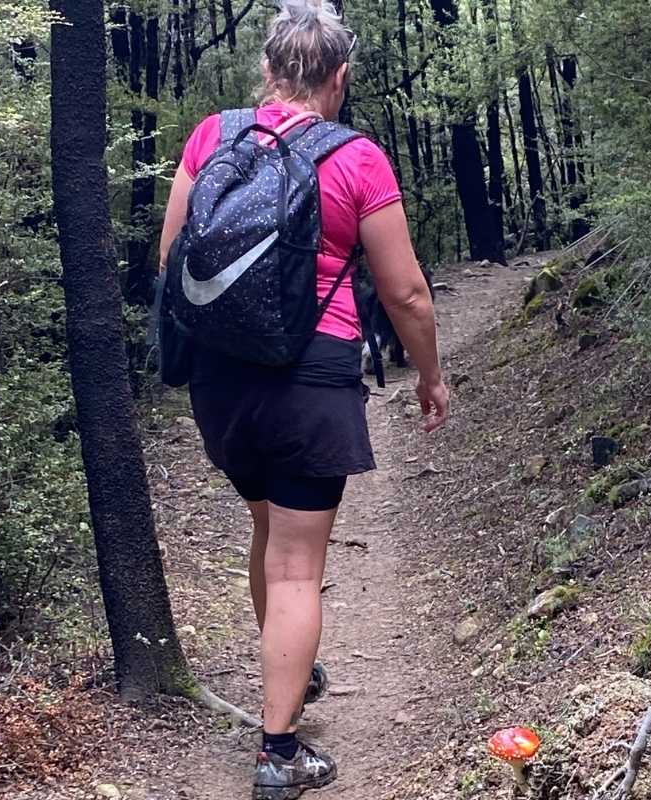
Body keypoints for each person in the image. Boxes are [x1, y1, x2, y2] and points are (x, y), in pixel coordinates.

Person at [158, 1, 448, 796]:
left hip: (220, 381)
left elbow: (172, 255)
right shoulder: (358, 158)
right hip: (311, 379)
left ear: (267, 70)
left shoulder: (213, 137)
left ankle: (290, 669)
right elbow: (407, 293)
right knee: (295, 566)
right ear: (340, 76)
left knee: (266, 528)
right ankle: (279, 754)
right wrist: (429, 374)